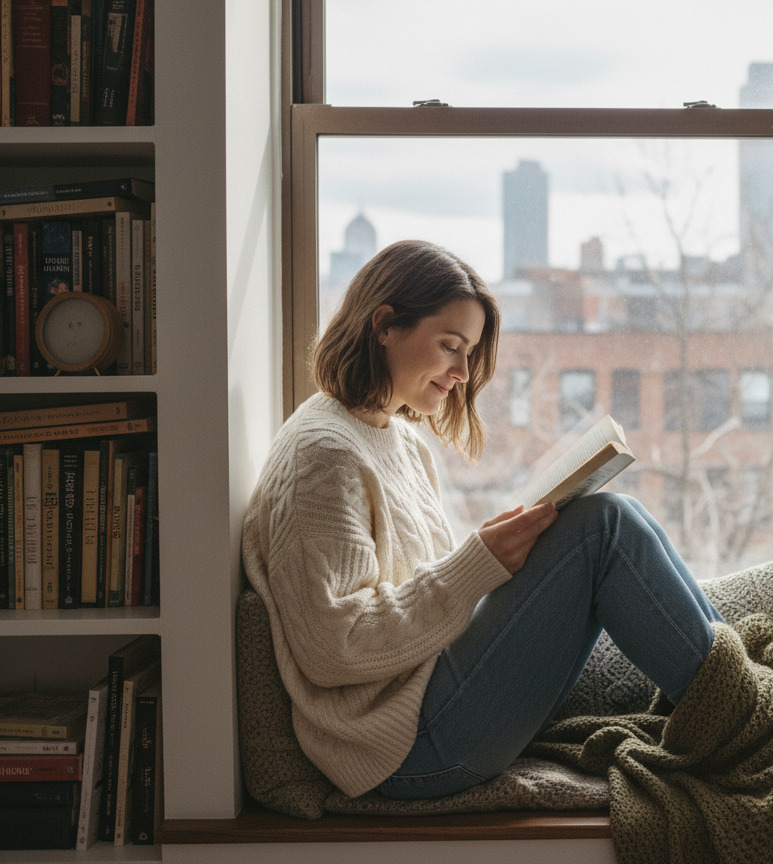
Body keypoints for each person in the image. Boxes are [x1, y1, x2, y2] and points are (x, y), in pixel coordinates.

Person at [241, 239, 724, 800]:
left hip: (430, 693)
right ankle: (739, 714)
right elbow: (333, 648)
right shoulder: (323, 455)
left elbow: (419, 592)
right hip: (400, 746)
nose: (463, 372)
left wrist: (503, 559)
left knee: (619, 513)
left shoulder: (398, 439)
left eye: (469, 352)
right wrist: (476, 566)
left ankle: (735, 687)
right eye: (450, 346)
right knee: (604, 526)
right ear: (385, 325)